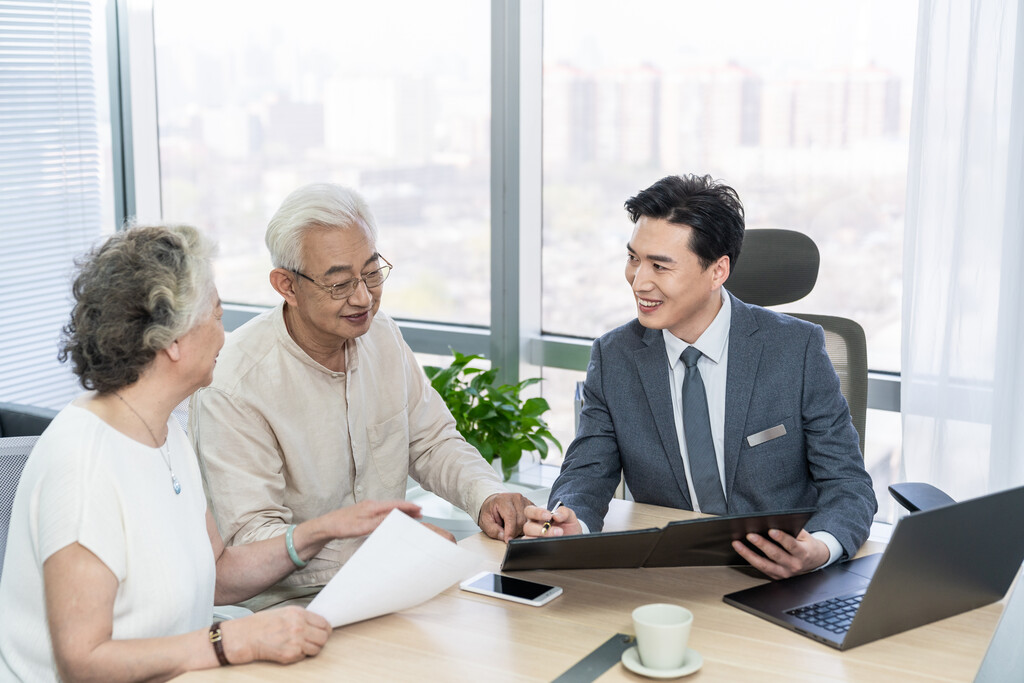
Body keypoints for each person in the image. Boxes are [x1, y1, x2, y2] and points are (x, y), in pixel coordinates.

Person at [0, 225, 422, 681]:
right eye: (217, 317)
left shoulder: (164, 430)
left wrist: (318, 532)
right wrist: (231, 642)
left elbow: (217, 573)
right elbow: (83, 661)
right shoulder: (84, 464)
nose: (225, 337)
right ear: (172, 341)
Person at [190, 183, 529, 610]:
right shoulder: (235, 385)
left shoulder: (380, 334)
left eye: (372, 272)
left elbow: (431, 442)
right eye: (339, 284)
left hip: (395, 587)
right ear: (286, 286)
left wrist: (486, 496)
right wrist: (385, 550)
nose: (364, 298)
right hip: (291, 606)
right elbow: (255, 539)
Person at [523, 174, 876, 579]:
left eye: (660, 265)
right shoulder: (614, 356)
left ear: (717, 271)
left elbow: (848, 485)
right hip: (677, 573)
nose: (639, 281)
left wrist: (820, 548)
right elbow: (586, 472)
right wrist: (574, 524)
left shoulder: (797, 349)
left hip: (786, 577)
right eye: (634, 259)